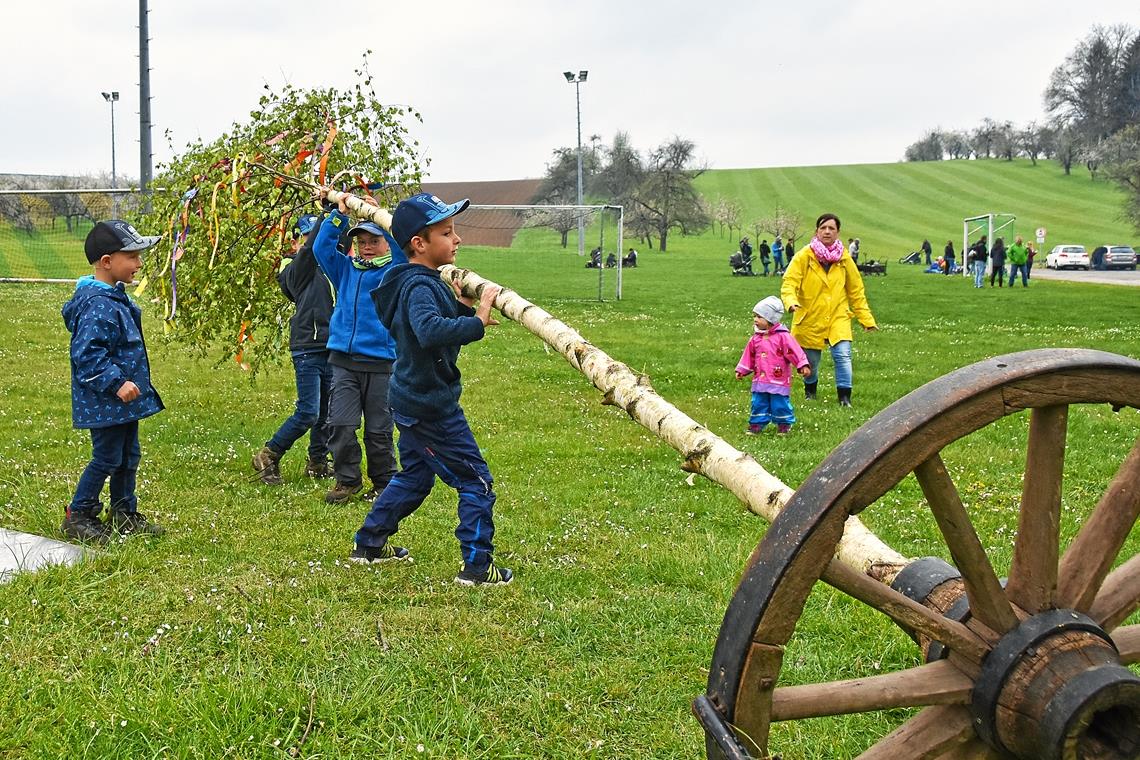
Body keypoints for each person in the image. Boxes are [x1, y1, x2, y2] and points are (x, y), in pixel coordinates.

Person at [351, 192, 511, 586]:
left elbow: (429, 318)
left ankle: (369, 545)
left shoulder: (413, 280)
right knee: (476, 481)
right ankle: (477, 568)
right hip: (430, 407)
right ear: (419, 244)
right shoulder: (419, 286)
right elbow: (428, 330)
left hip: (409, 399)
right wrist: (477, 321)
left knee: (415, 477)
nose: (456, 239)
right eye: (447, 232)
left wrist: (459, 306)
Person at [60, 220, 166, 543]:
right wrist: (117, 382)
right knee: (106, 457)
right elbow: (87, 356)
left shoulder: (113, 297)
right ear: (107, 262)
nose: (139, 263)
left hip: (122, 404)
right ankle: (79, 515)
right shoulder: (96, 304)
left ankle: (123, 512)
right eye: (132, 256)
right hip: (105, 402)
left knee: (128, 456)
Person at [313, 192, 406, 504]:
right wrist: (338, 216)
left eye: (373, 241)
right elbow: (321, 247)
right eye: (361, 242)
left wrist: (380, 217)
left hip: (381, 365)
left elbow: (403, 254)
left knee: (378, 432)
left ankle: (384, 482)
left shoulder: (393, 273)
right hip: (343, 362)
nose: (366, 247)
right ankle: (347, 480)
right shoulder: (346, 270)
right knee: (340, 424)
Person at [251, 214, 336, 485]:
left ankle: (318, 461)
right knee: (309, 411)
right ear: (297, 240)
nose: (313, 240)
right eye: (308, 235)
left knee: (326, 411)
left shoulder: (330, 264)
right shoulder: (292, 268)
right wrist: (327, 218)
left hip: (332, 346)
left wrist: (345, 212)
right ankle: (269, 453)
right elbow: (310, 251)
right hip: (308, 348)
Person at [781, 213, 878, 408]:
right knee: (811, 363)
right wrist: (790, 302)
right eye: (823, 228)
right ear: (816, 231)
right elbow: (789, 282)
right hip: (810, 316)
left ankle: (844, 398)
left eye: (831, 228)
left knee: (843, 355)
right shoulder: (804, 256)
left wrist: (866, 319)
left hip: (838, 316)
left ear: (838, 232)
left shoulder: (844, 259)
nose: (827, 231)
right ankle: (810, 392)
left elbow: (856, 290)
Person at [735, 296, 811, 435]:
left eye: (759, 316)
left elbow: (794, 351)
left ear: (770, 319)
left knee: (779, 403)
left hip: (778, 378)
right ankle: (756, 425)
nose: (755, 319)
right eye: (755, 316)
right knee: (758, 403)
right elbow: (749, 355)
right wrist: (742, 370)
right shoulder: (755, 338)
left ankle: (784, 424)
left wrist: (802, 365)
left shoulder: (783, 336)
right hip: (760, 379)